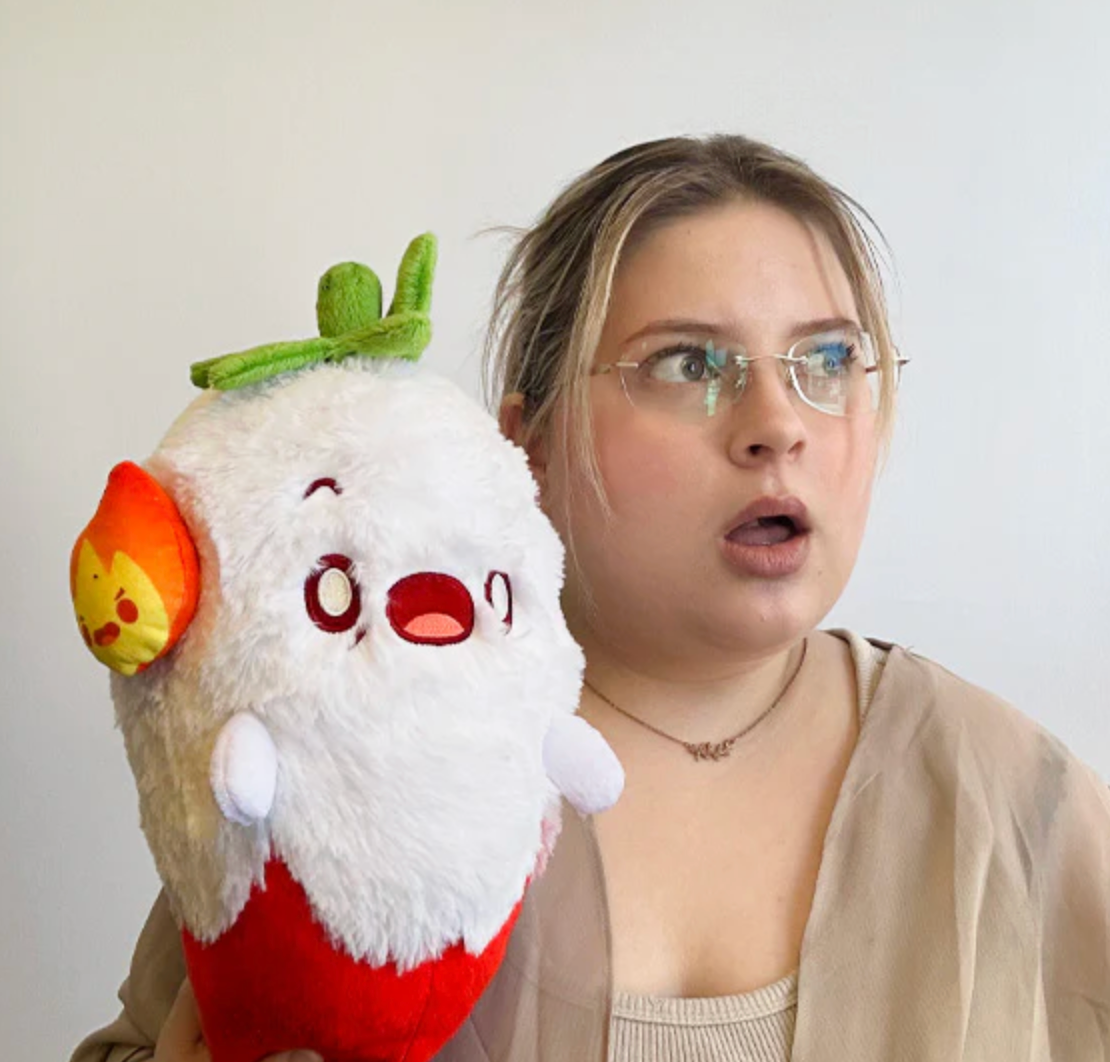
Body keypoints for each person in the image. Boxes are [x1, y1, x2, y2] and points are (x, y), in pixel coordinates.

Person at [71, 135, 1109, 1062]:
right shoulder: (343, 744)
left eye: (827, 360)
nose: (777, 424)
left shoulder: (1014, 793)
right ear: (527, 446)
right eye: (687, 362)